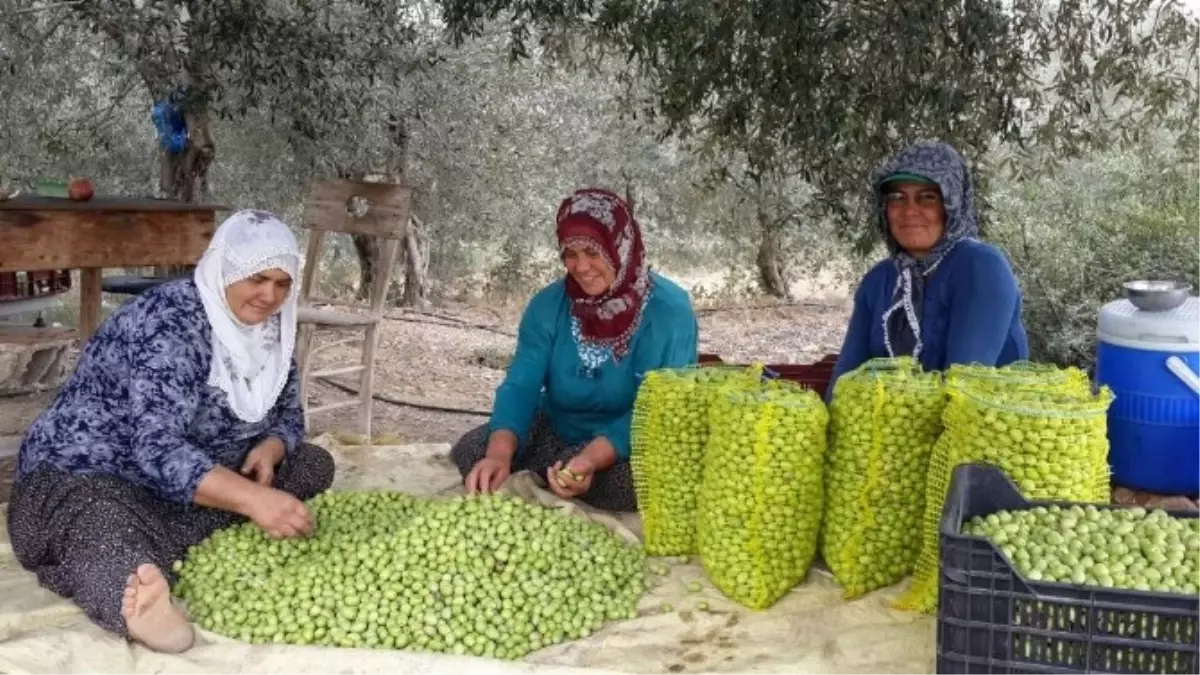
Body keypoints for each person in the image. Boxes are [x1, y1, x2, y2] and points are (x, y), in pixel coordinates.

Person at [7, 210, 334, 653]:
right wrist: (254, 499)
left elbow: (289, 416)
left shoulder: (273, 331)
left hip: (194, 480)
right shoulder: (172, 322)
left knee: (312, 463)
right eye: (257, 279)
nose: (269, 296)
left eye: (282, 283)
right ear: (225, 269)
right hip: (93, 474)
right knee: (99, 523)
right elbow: (156, 451)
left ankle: (160, 542)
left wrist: (272, 447)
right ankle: (140, 601)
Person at [450, 188, 699, 512]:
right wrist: (499, 455)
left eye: (593, 252)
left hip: (629, 443)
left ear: (620, 247)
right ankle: (560, 475)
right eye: (570, 253)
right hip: (557, 428)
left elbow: (659, 411)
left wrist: (590, 461)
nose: (581, 267)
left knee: (646, 485)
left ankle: (563, 475)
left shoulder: (669, 312)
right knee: (472, 450)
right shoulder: (548, 306)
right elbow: (521, 385)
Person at [829, 140, 1029, 389]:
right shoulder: (879, 280)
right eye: (897, 198)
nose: (909, 211)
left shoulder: (980, 267)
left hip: (981, 425)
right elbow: (844, 383)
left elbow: (962, 386)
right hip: (894, 424)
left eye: (928, 198)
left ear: (952, 204)